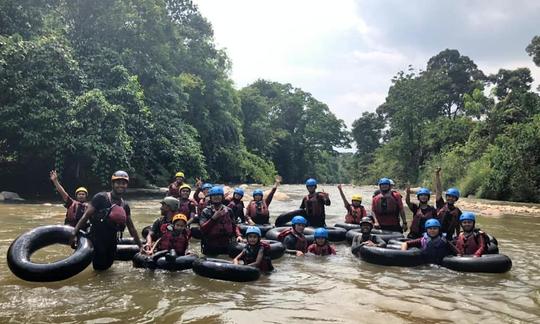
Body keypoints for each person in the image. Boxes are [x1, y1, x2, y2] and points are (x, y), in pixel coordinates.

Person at [70, 171, 142, 270]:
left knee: (107, 268)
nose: (121, 185)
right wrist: (74, 233)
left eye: (123, 183)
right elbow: (85, 216)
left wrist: (140, 246)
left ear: (126, 185)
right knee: (99, 268)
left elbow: (131, 228)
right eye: (118, 183)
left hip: (112, 241)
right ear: (112, 184)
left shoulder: (125, 206)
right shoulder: (101, 198)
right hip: (97, 239)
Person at [199, 186, 243, 255]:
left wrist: (238, 235)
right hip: (211, 245)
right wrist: (213, 218)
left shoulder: (229, 210)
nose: (216, 197)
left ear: (222, 197)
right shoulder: (206, 211)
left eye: (218, 195)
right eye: (214, 196)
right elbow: (202, 229)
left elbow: (234, 225)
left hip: (226, 243)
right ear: (210, 198)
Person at [434, 167, 462, 239]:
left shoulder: (457, 211)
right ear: (446, 197)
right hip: (437, 235)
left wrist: (458, 237)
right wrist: (437, 175)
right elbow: (438, 190)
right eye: (449, 196)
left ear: (456, 199)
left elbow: (458, 225)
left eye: (453, 197)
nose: (450, 198)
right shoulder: (441, 205)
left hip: (449, 237)